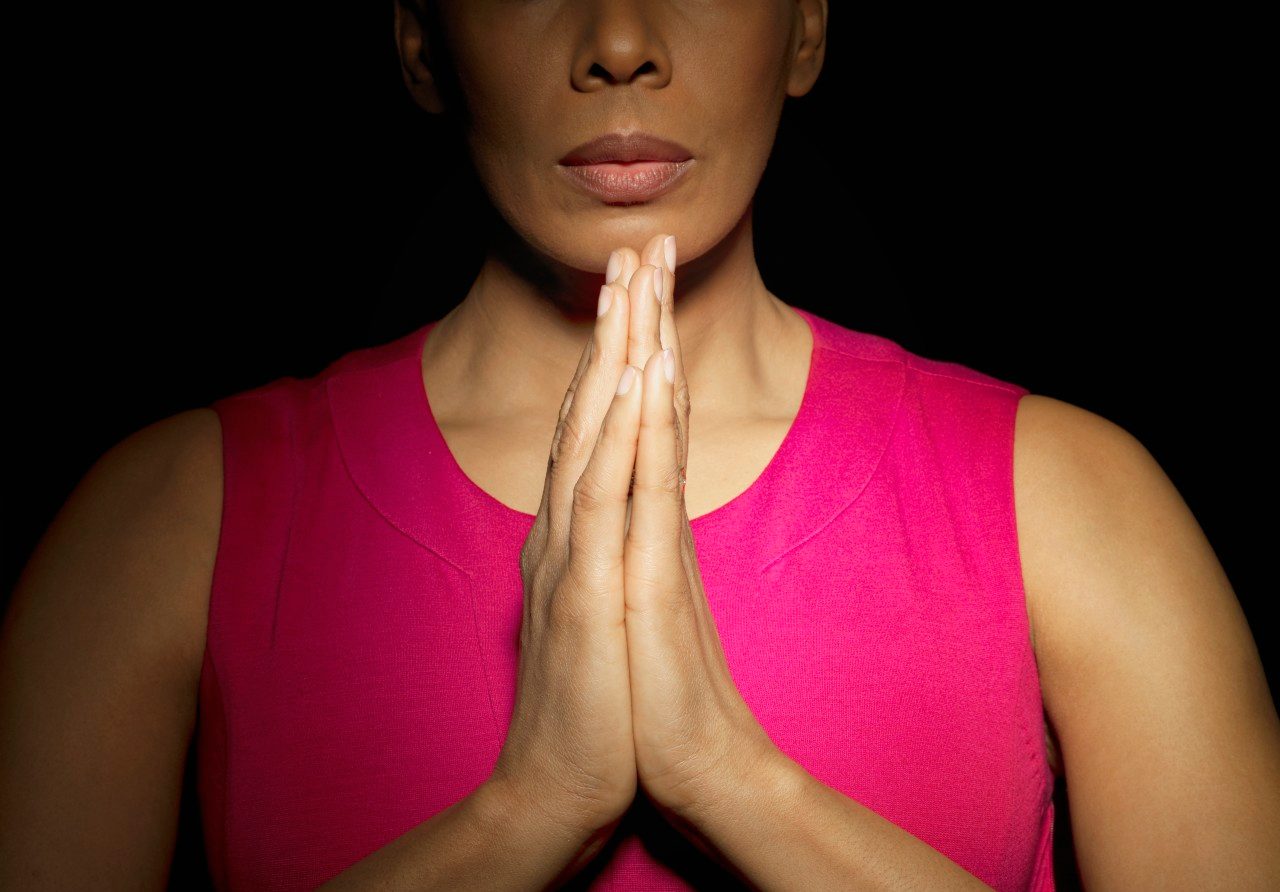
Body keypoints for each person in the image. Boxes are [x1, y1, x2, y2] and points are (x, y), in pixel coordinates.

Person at [3, 1, 1277, 889]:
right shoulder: (169, 518)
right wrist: (529, 808)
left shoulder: (1069, 498)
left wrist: (730, 777)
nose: (618, 45)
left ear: (805, 27)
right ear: (420, 42)